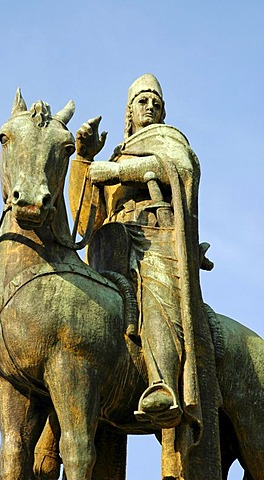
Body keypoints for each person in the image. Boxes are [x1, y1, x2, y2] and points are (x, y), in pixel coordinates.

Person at [69, 74, 203, 430]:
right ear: (128, 110)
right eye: (142, 101)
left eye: (156, 101)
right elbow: (85, 223)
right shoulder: (112, 154)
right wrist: (83, 161)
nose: (151, 106)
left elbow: (177, 168)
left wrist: (116, 171)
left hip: (153, 238)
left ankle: (161, 383)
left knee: (156, 291)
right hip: (107, 247)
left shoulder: (167, 138)